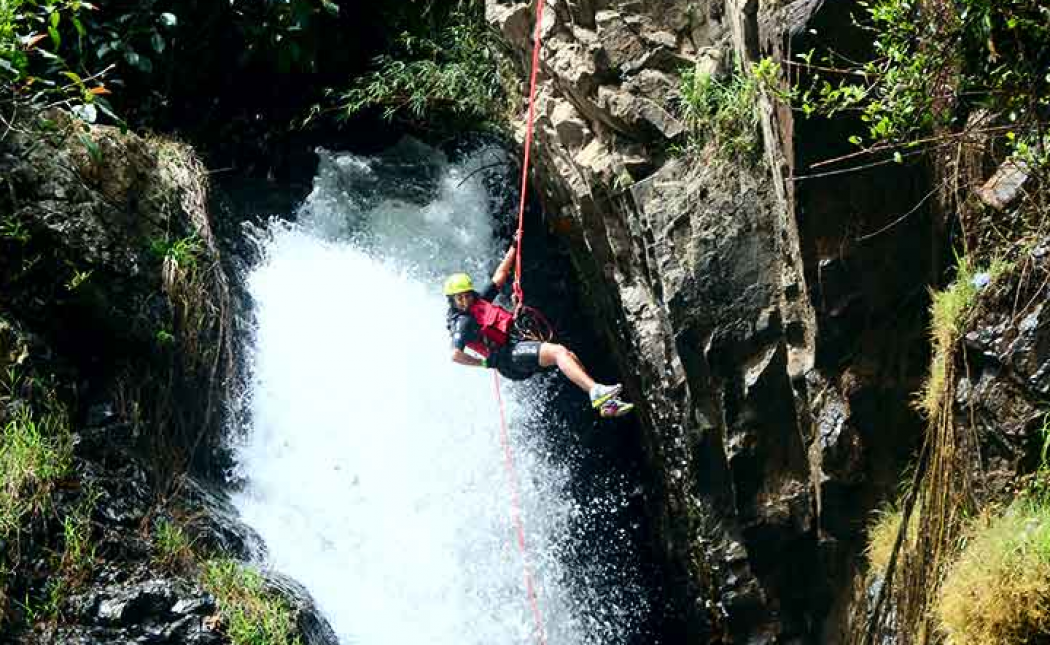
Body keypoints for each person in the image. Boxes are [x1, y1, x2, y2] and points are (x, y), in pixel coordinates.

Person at [443, 239, 634, 418]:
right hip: (508, 358)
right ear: (451, 300)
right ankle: (596, 392)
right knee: (559, 352)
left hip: (516, 344)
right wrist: (485, 363)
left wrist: (513, 247)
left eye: (466, 295)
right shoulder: (463, 322)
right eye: (459, 298)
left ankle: (605, 405)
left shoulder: (478, 302)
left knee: (569, 355)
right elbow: (455, 355)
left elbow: (499, 278)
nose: (465, 300)